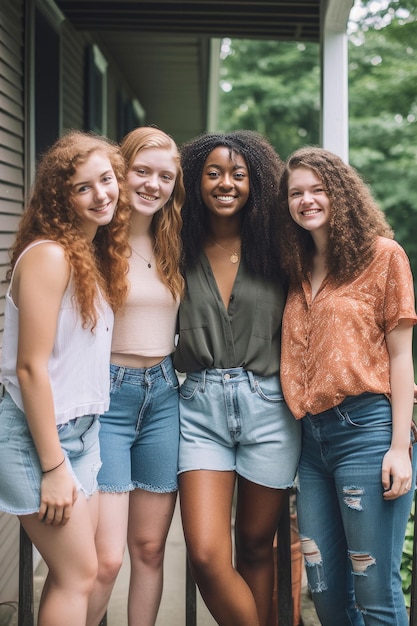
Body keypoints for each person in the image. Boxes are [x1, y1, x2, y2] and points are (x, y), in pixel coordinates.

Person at [276, 146, 417, 626]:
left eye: (318, 189)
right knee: (327, 592)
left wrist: (400, 447)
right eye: (296, 193)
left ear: (342, 194)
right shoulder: (294, 268)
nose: (307, 200)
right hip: (311, 443)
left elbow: (401, 356)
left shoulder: (382, 256)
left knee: (374, 589)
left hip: (367, 431)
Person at [0, 130, 130, 625]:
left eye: (106, 180)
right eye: (83, 187)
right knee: (78, 576)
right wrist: (54, 468)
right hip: (39, 440)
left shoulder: (91, 257)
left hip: (83, 432)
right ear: (61, 197)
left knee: (88, 572)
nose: (102, 194)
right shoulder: (49, 256)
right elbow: (30, 368)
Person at [173, 130, 301, 626]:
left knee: (254, 546)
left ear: (256, 182)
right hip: (199, 408)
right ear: (195, 180)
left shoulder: (277, 245)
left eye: (238, 174)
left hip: (269, 407)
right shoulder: (175, 243)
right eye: (214, 173)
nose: (226, 183)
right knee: (206, 552)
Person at [86, 126, 185, 626]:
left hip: (164, 397)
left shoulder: (175, 241)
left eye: (165, 176)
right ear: (120, 172)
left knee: (149, 549)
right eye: (142, 171)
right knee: (105, 560)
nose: (153, 184)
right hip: (107, 399)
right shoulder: (95, 239)